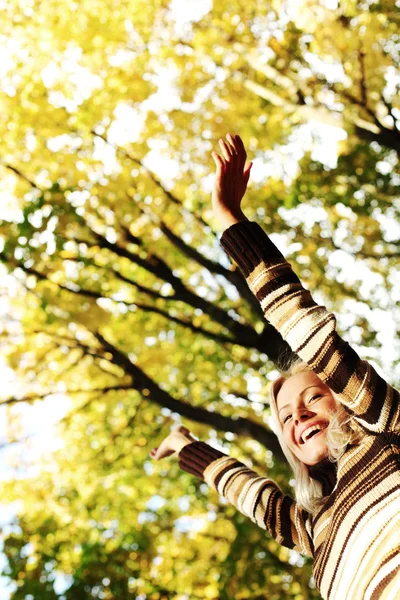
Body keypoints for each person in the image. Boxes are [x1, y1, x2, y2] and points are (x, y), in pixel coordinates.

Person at [149, 134, 400, 600]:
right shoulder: (312, 526)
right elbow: (248, 492)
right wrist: (186, 447)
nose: (298, 418)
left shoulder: (384, 433)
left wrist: (230, 221)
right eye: (286, 418)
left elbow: (308, 329)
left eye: (313, 399)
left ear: (345, 399)